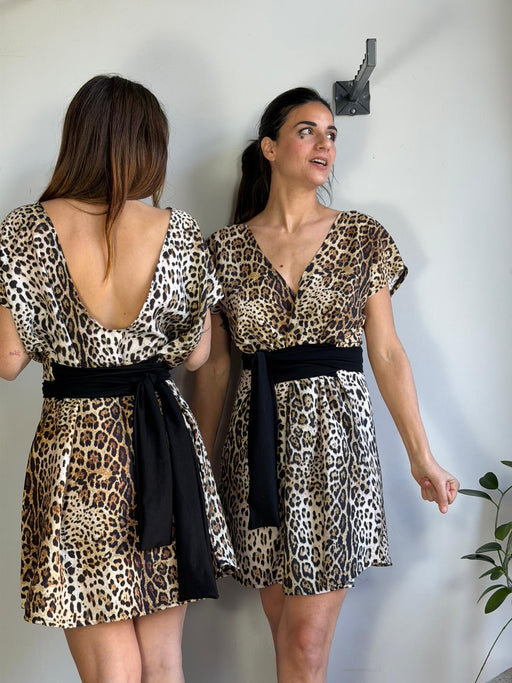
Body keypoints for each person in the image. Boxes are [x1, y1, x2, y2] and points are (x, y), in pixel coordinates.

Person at [191, 87, 459, 683]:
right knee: (287, 637)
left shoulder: (363, 236)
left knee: (305, 644)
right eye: (307, 130)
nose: (325, 143)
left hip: (336, 448)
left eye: (331, 134)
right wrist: (201, 469)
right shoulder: (223, 249)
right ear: (269, 147)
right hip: (256, 451)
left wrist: (422, 456)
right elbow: (213, 370)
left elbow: (386, 352)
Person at [0, 74, 236, 683]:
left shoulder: (25, 228)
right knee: (163, 663)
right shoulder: (178, 231)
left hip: (77, 453)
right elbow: (197, 355)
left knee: (113, 670)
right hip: (162, 443)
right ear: (148, 145)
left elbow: (7, 359)